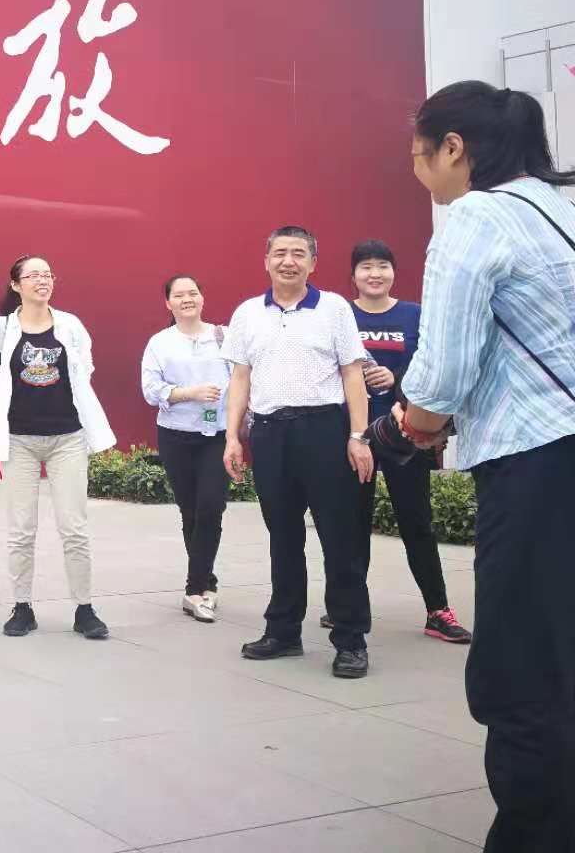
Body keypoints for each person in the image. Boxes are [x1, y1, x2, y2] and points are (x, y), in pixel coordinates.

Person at [393, 81, 575, 851]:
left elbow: (442, 373)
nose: (419, 174)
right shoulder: (562, 211)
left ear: (454, 148)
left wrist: (415, 425)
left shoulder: (476, 217)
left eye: (418, 157)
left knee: (523, 671)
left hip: (538, 470)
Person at [222, 225, 376, 679]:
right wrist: (233, 436)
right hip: (270, 434)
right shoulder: (247, 313)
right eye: (280, 253)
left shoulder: (334, 309)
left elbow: (352, 373)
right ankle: (284, 631)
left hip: (324, 431)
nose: (288, 261)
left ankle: (350, 640)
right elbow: (240, 379)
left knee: (340, 539)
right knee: (283, 537)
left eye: (298, 254)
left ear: (313, 263)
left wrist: (359, 436)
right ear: (266, 260)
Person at [0, 256, 116, 639]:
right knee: (21, 530)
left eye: (47, 274)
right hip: (18, 441)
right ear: (15, 285)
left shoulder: (71, 325)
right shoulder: (0, 330)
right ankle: (22, 607)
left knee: (74, 528)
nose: (42, 280)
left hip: (67, 438)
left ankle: (84, 609)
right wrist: (9, 404)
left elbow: (84, 370)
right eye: (33, 275)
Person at [345, 239, 469, 643]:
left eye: (382, 265)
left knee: (417, 523)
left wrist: (396, 379)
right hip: (356, 435)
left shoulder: (415, 315)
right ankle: (348, 605)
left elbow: (432, 367)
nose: (375, 274)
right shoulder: (341, 315)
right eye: (366, 266)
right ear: (353, 275)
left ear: (394, 272)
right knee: (352, 524)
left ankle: (438, 611)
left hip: (405, 433)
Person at [140, 274, 230, 623]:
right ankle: (207, 580)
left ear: (202, 298)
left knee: (211, 507)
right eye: (179, 295)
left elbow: (243, 379)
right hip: (176, 435)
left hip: (218, 434)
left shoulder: (224, 337)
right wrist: (189, 393)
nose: (187, 299)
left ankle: (194, 591)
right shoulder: (160, 343)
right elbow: (151, 390)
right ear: (168, 303)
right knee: (190, 512)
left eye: (193, 292)